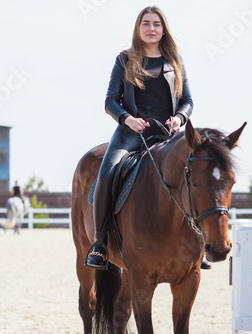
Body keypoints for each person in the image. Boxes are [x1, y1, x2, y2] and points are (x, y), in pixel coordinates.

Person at [86, 6, 195, 269]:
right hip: (130, 136)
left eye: (156, 24)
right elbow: (110, 101)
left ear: (163, 29)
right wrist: (128, 119)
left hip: (167, 137)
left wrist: (180, 118)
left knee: (195, 173)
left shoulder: (174, 61)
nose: (151, 28)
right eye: (145, 23)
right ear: (138, 28)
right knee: (108, 173)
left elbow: (188, 101)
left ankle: (195, 240)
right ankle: (100, 244)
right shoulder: (125, 59)